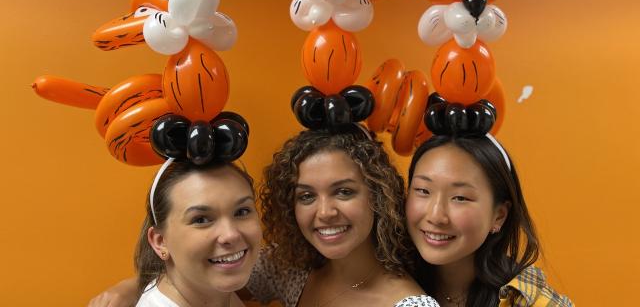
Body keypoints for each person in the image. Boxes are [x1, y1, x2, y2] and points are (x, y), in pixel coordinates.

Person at [248, 127, 438, 307]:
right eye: (307, 196)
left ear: (378, 196)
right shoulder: (289, 269)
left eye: (344, 192)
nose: (324, 212)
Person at [405, 135, 573, 307]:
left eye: (460, 198)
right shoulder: (385, 281)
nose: (436, 216)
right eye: (423, 191)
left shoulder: (532, 302)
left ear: (499, 216)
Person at [94, 160, 262, 307]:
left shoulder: (213, 288)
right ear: (160, 242)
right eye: (201, 220)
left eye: (241, 212)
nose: (230, 234)